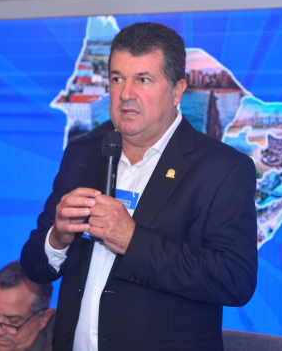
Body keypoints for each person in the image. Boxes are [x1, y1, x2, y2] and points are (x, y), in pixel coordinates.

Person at [21, 22, 258, 351]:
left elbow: (234, 280)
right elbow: (34, 266)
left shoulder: (223, 169)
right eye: (118, 79)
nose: (126, 94)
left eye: (143, 80)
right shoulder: (81, 154)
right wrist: (57, 238)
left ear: (177, 91)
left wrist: (133, 241)